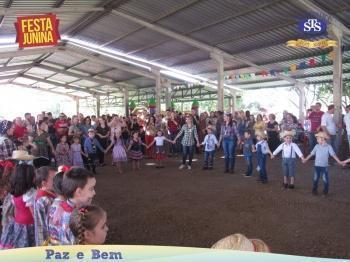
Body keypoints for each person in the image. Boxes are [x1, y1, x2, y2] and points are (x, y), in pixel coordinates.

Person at [48, 167, 96, 245]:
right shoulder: (73, 218)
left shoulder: (57, 205)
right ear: (79, 192)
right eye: (91, 189)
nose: (94, 193)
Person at [0, 164, 36, 249]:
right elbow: (34, 213)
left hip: (18, 222)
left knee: (20, 243)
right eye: (33, 175)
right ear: (28, 178)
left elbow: (16, 209)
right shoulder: (31, 193)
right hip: (29, 224)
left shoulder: (14, 193)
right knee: (28, 244)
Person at [33, 166, 57, 246]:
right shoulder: (46, 200)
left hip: (42, 237)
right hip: (47, 240)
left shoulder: (41, 194)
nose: (57, 181)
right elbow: (51, 224)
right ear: (44, 183)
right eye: (54, 179)